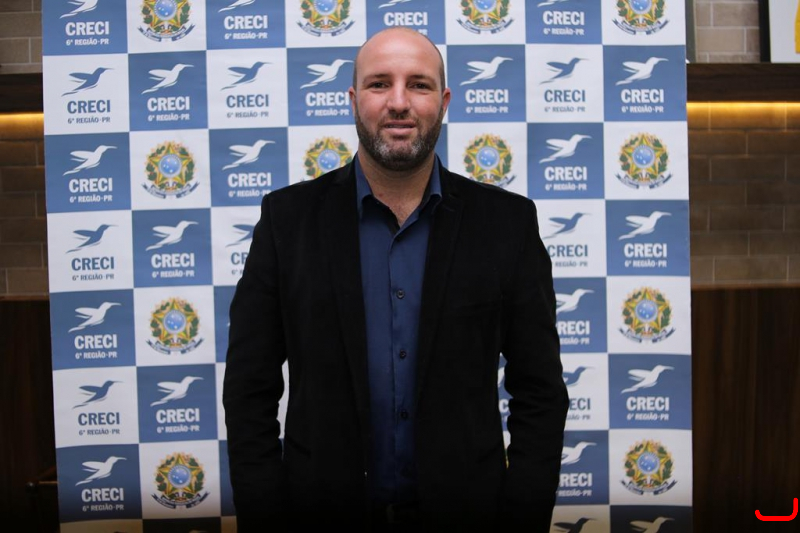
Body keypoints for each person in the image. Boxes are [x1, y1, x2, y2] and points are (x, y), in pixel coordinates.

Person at [223, 27, 568, 532]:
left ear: (443, 102)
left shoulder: (507, 224)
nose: (399, 102)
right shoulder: (287, 221)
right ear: (354, 100)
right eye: (380, 83)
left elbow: (540, 393)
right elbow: (248, 390)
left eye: (419, 85)